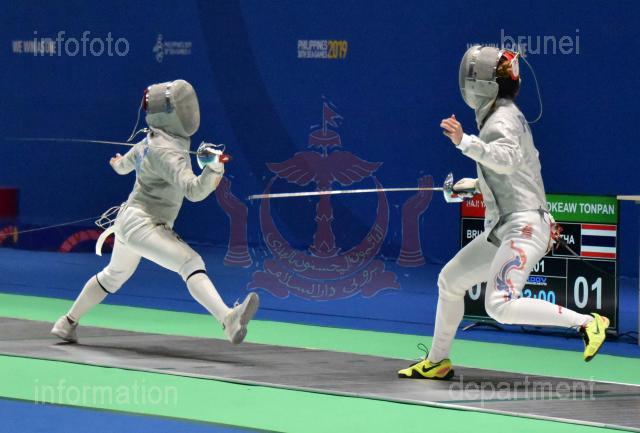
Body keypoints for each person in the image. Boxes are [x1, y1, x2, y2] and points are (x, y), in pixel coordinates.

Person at [398, 46, 608, 380]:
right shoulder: (505, 114)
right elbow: (514, 173)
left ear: (479, 85)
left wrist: (464, 142)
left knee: (499, 304)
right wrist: (468, 187)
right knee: (450, 280)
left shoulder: (501, 120)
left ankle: (587, 322)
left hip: (522, 225)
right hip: (508, 226)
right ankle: (437, 361)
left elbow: (506, 160)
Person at [51, 79, 259, 345]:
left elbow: (122, 167)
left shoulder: (149, 142)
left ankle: (67, 322)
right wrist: (214, 169)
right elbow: (194, 191)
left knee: (113, 276)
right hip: (144, 224)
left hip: (127, 220)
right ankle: (228, 320)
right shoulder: (168, 152)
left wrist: (116, 161)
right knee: (191, 263)